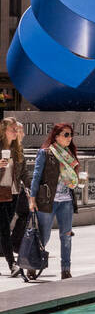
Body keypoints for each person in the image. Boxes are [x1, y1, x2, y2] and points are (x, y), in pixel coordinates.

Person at [28, 123, 80, 280]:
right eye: (66, 134)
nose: (69, 138)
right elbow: (36, 177)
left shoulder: (70, 154)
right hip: (47, 201)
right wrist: (32, 199)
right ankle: (33, 265)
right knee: (44, 236)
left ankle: (66, 269)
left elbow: (72, 179)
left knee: (66, 236)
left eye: (70, 134)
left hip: (66, 201)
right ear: (56, 136)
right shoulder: (45, 153)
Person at [0, 117, 26, 276]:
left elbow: (23, 172)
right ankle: (12, 265)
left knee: (3, 228)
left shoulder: (18, 149)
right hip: (0, 192)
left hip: (14, 193)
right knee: (4, 230)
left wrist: (30, 188)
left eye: (17, 129)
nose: (16, 132)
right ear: (4, 130)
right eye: (13, 129)